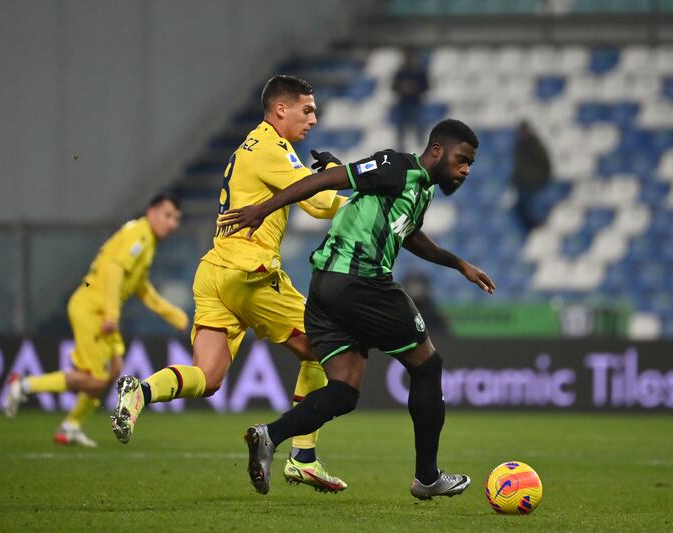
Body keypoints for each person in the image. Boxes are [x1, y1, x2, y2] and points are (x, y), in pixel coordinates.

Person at [218, 119, 495, 499]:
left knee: (344, 391)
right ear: (436, 151)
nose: (464, 170)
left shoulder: (417, 191)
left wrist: (459, 264)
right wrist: (263, 209)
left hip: (326, 289)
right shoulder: (399, 166)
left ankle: (270, 435)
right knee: (428, 366)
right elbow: (328, 181)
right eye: (461, 160)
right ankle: (427, 477)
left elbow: (408, 234)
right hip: (361, 281)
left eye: (470, 165)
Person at [110, 75, 348, 492]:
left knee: (209, 375)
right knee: (325, 350)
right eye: (306, 110)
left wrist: (325, 174)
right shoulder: (274, 149)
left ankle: (141, 392)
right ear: (280, 110)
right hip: (249, 273)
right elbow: (321, 204)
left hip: (214, 272)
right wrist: (353, 186)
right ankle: (304, 456)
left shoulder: (250, 146)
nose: (313, 118)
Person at [4, 194, 188, 447]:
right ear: (151, 212)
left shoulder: (147, 241)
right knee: (95, 380)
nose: (173, 223)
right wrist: (111, 314)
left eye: (176, 218)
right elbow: (113, 270)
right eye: (168, 216)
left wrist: (170, 313)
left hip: (101, 309)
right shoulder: (140, 234)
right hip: (94, 309)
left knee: (112, 371)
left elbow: (139, 286)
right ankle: (24, 385)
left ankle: (71, 426)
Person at [510, 120, 551, 235]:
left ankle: (535, 228)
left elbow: (545, 164)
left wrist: (539, 179)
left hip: (532, 183)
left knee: (528, 206)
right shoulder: (518, 146)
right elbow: (518, 166)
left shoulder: (535, 145)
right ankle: (531, 229)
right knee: (519, 208)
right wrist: (515, 180)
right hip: (522, 183)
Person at [392, 48, 429, 152]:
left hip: (416, 103)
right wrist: (403, 88)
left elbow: (426, 86)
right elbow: (394, 87)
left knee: (419, 125)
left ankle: (421, 146)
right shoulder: (400, 72)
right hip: (403, 103)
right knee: (401, 127)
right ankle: (400, 147)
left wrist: (414, 88)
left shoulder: (419, 72)